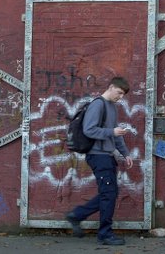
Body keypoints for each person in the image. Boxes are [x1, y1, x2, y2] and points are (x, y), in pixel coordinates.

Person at [66, 76, 134, 246]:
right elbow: (89, 130)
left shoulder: (112, 107)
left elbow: (115, 134)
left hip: (107, 156)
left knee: (109, 193)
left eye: (123, 95)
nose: (121, 97)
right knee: (109, 194)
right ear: (111, 87)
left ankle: (77, 215)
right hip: (98, 155)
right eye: (119, 93)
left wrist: (125, 153)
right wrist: (112, 132)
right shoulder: (98, 104)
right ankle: (104, 234)